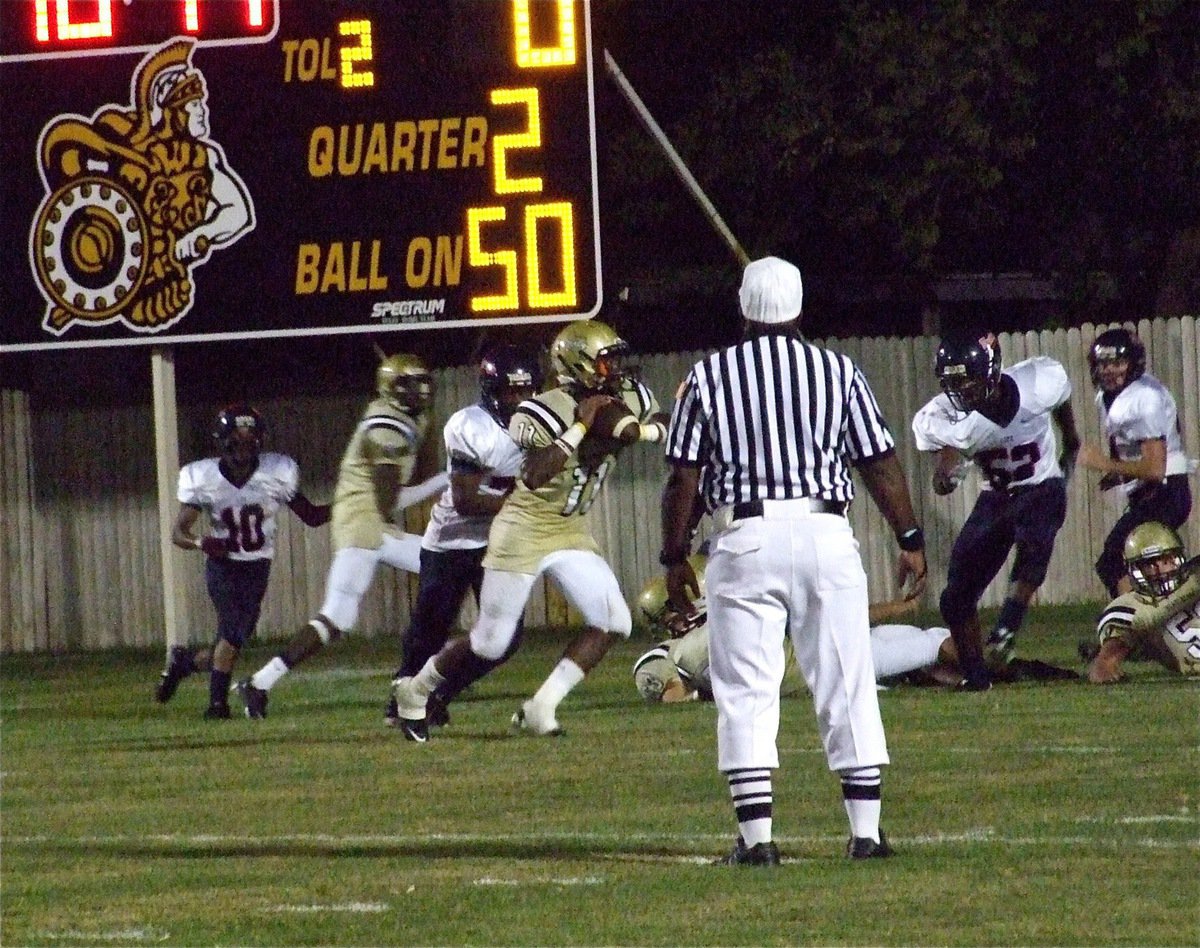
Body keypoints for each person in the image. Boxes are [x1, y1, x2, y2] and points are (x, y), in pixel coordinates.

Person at [659, 256, 928, 866]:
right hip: (825, 532)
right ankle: (866, 833)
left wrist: (674, 556)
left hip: (746, 536)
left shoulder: (708, 376)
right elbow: (879, 462)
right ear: (800, 308)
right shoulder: (838, 371)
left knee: (747, 691)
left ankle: (757, 841)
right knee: (846, 681)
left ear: (743, 307)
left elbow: (683, 478)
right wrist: (909, 535)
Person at [391, 319, 669, 740]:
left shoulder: (626, 395)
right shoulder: (539, 410)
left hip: (570, 527)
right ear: (578, 365)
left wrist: (646, 429)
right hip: (524, 526)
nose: (616, 369)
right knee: (490, 643)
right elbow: (536, 475)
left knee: (613, 620)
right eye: (606, 360)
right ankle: (415, 690)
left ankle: (541, 707)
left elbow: (657, 418)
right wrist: (580, 426)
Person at [236, 353, 445, 719]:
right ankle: (259, 683)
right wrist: (447, 481)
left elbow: (416, 475)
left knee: (446, 575)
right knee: (338, 616)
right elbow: (391, 502)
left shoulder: (413, 417)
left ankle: (417, 683)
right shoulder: (385, 428)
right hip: (362, 522)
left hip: (372, 521)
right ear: (393, 388)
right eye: (411, 383)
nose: (422, 389)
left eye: (424, 381)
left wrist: (431, 445)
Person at [383, 344, 542, 731]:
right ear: (491, 389)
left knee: (503, 638)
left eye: (526, 390)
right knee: (431, 627)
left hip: (499, 543)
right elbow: (466, 500)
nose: (519, 399)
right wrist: (521, 506)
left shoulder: (544, 424)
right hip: (452, 541)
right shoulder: (470, 424)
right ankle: (400, 699)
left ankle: (437, 694)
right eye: (510, 390)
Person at [912, 332, 1081, 688]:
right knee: (955, 595)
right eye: (953, 383)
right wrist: (944, 477)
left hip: (1040, 483)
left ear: (990, 372)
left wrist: (1072, 440)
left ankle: (1006, 627)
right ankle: (976, 678)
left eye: (967, 382)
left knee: (1035, 536)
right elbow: (944, 466)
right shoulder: (941, 416)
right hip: (996, 495)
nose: (961, 392)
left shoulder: (1038, 383)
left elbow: (1061, 399)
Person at [155, 405, 329, 718]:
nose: (243, 449)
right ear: (223, 443)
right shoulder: (204, 477)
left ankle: (184, 664)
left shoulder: (276, 473)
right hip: (223, 565)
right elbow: (178, 532)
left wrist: (351, 507)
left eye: (249, 442)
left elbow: (312, 516)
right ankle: (216, 705)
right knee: (232, 633)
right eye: (236, 442)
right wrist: (201, 542)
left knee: (231, 641)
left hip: (258, 566)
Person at [633, 563, 959, 704]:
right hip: (831, 662)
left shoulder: (730, 619)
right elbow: (672, 694)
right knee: (930, 645)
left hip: (833, 646)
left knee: (931, 639)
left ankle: (985, 669)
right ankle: (982, 670)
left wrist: (896, 609)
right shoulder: (669, 654)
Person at [1077, 328, 1193, 598]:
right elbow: (1128, 449)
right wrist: (1117, 471)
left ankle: (1129, 626)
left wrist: (1105, 464)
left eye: (1117, 363)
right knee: (1146, 567)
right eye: (1103, 363)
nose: (1108, 370)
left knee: (1114, 561)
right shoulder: (1116, 396)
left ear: (1133, 364)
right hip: (1156, 491)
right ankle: (1151, 625)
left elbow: (1154, 469)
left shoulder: (1143, 397)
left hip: (1164, 491)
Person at [1085, 521, 1200, 683]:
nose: (1159, 570)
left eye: (1166, 560)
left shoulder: (1194, 576)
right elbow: (1102, 667)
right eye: (1150, 565)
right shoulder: (1131, 606)